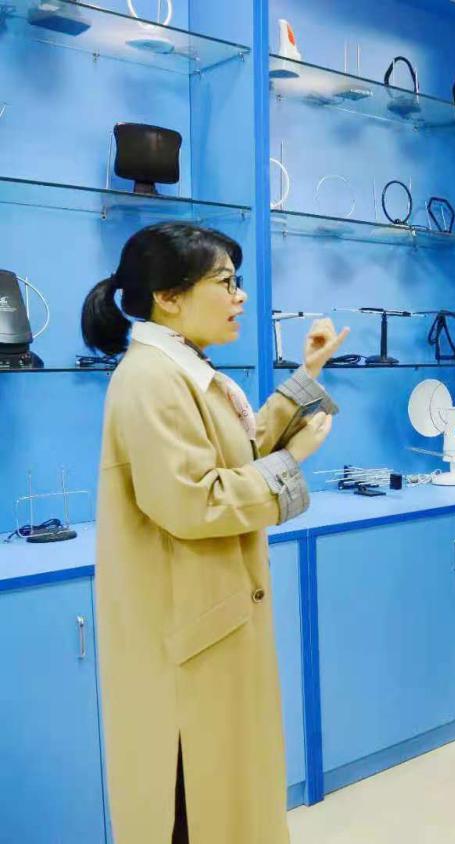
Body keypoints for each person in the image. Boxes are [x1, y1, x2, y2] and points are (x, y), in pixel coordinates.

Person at [81, 222, 346, 844]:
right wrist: (292, 461)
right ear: (168, 297)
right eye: (225, 282)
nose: (240, 296)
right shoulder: (150, 379)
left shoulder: (183, 368)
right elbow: (194, 501)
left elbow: (239, 448)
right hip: (186, 640)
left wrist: (308, 373)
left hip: (209, 622)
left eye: (237, 281)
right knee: (193, 804)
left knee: (228, 793)